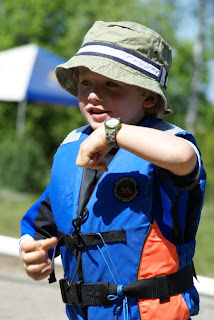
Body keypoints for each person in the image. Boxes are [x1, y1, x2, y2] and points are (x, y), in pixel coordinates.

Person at [19, 21, 206, 320]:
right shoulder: (72, 148)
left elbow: (184, 158)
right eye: (85, 83)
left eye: (111, 84)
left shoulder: (167, 145)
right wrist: (30, 248)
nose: (93, 94)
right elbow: (41, 222)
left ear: (148, 97)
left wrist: (110, 133)